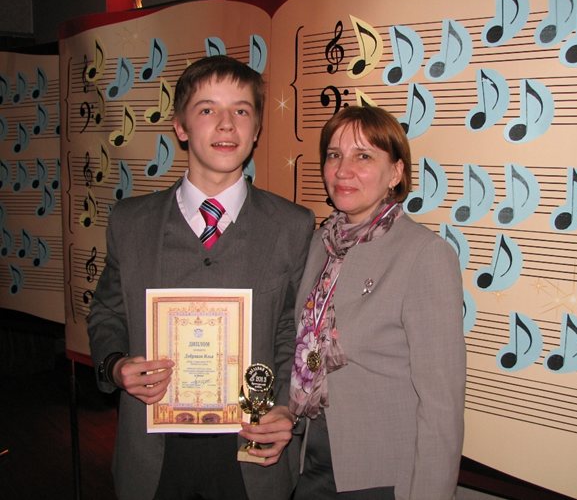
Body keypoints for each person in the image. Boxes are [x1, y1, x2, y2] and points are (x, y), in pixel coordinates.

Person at [87, 55, 315, 500]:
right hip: (153, 452)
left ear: (257, 129)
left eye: (241, 110)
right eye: (208, 109)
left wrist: (286, 408)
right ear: (181, 126)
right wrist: (116, 366)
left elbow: (294, 330)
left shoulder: (292, 225)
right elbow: (107, 314)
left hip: (252, 451)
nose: (227, 124)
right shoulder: (130, 222)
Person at [289, 106, 466, 499]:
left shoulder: (424, 255)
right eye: (334, 155)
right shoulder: (320, 243)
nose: (343, 170)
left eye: (363, 156)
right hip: (310, 459)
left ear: (396, 172)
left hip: (380, 474)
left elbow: (442, 404)